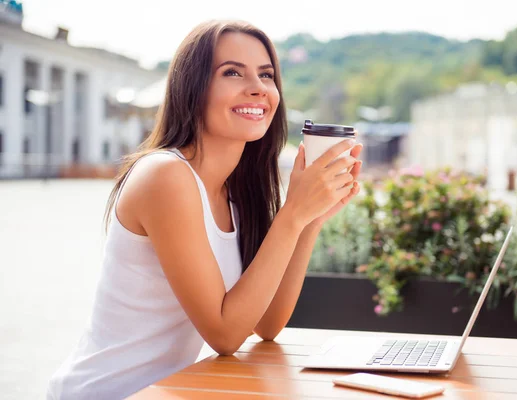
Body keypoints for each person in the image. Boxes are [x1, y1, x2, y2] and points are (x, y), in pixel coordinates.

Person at [47, 20, 362, 400]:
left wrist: (308, 221)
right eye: (232, 72)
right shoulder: (165, 176)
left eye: (266, 75)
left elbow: (266, 323)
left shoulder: (236, 193)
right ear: (192, 88)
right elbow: (225, 334)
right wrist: (292, 213)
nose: (258, 89)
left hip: (171, 391)